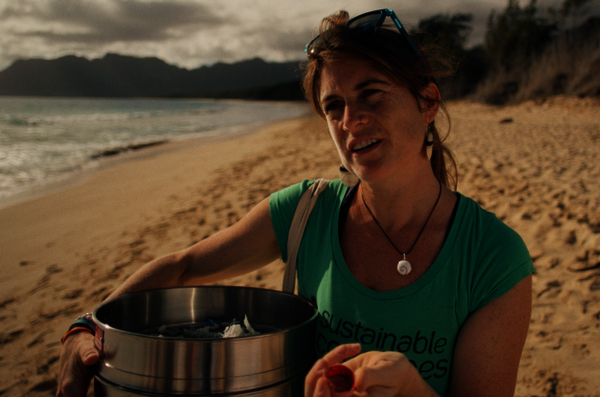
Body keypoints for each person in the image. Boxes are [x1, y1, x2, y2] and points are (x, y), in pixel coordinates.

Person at [56, 8, 534, 397]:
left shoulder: (492, 256)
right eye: (334, 106)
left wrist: (410, 388)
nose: (351, 121)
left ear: (427, 102)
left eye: (372, 94)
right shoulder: (306, 211)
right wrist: (84, 327)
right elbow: (183, 267)